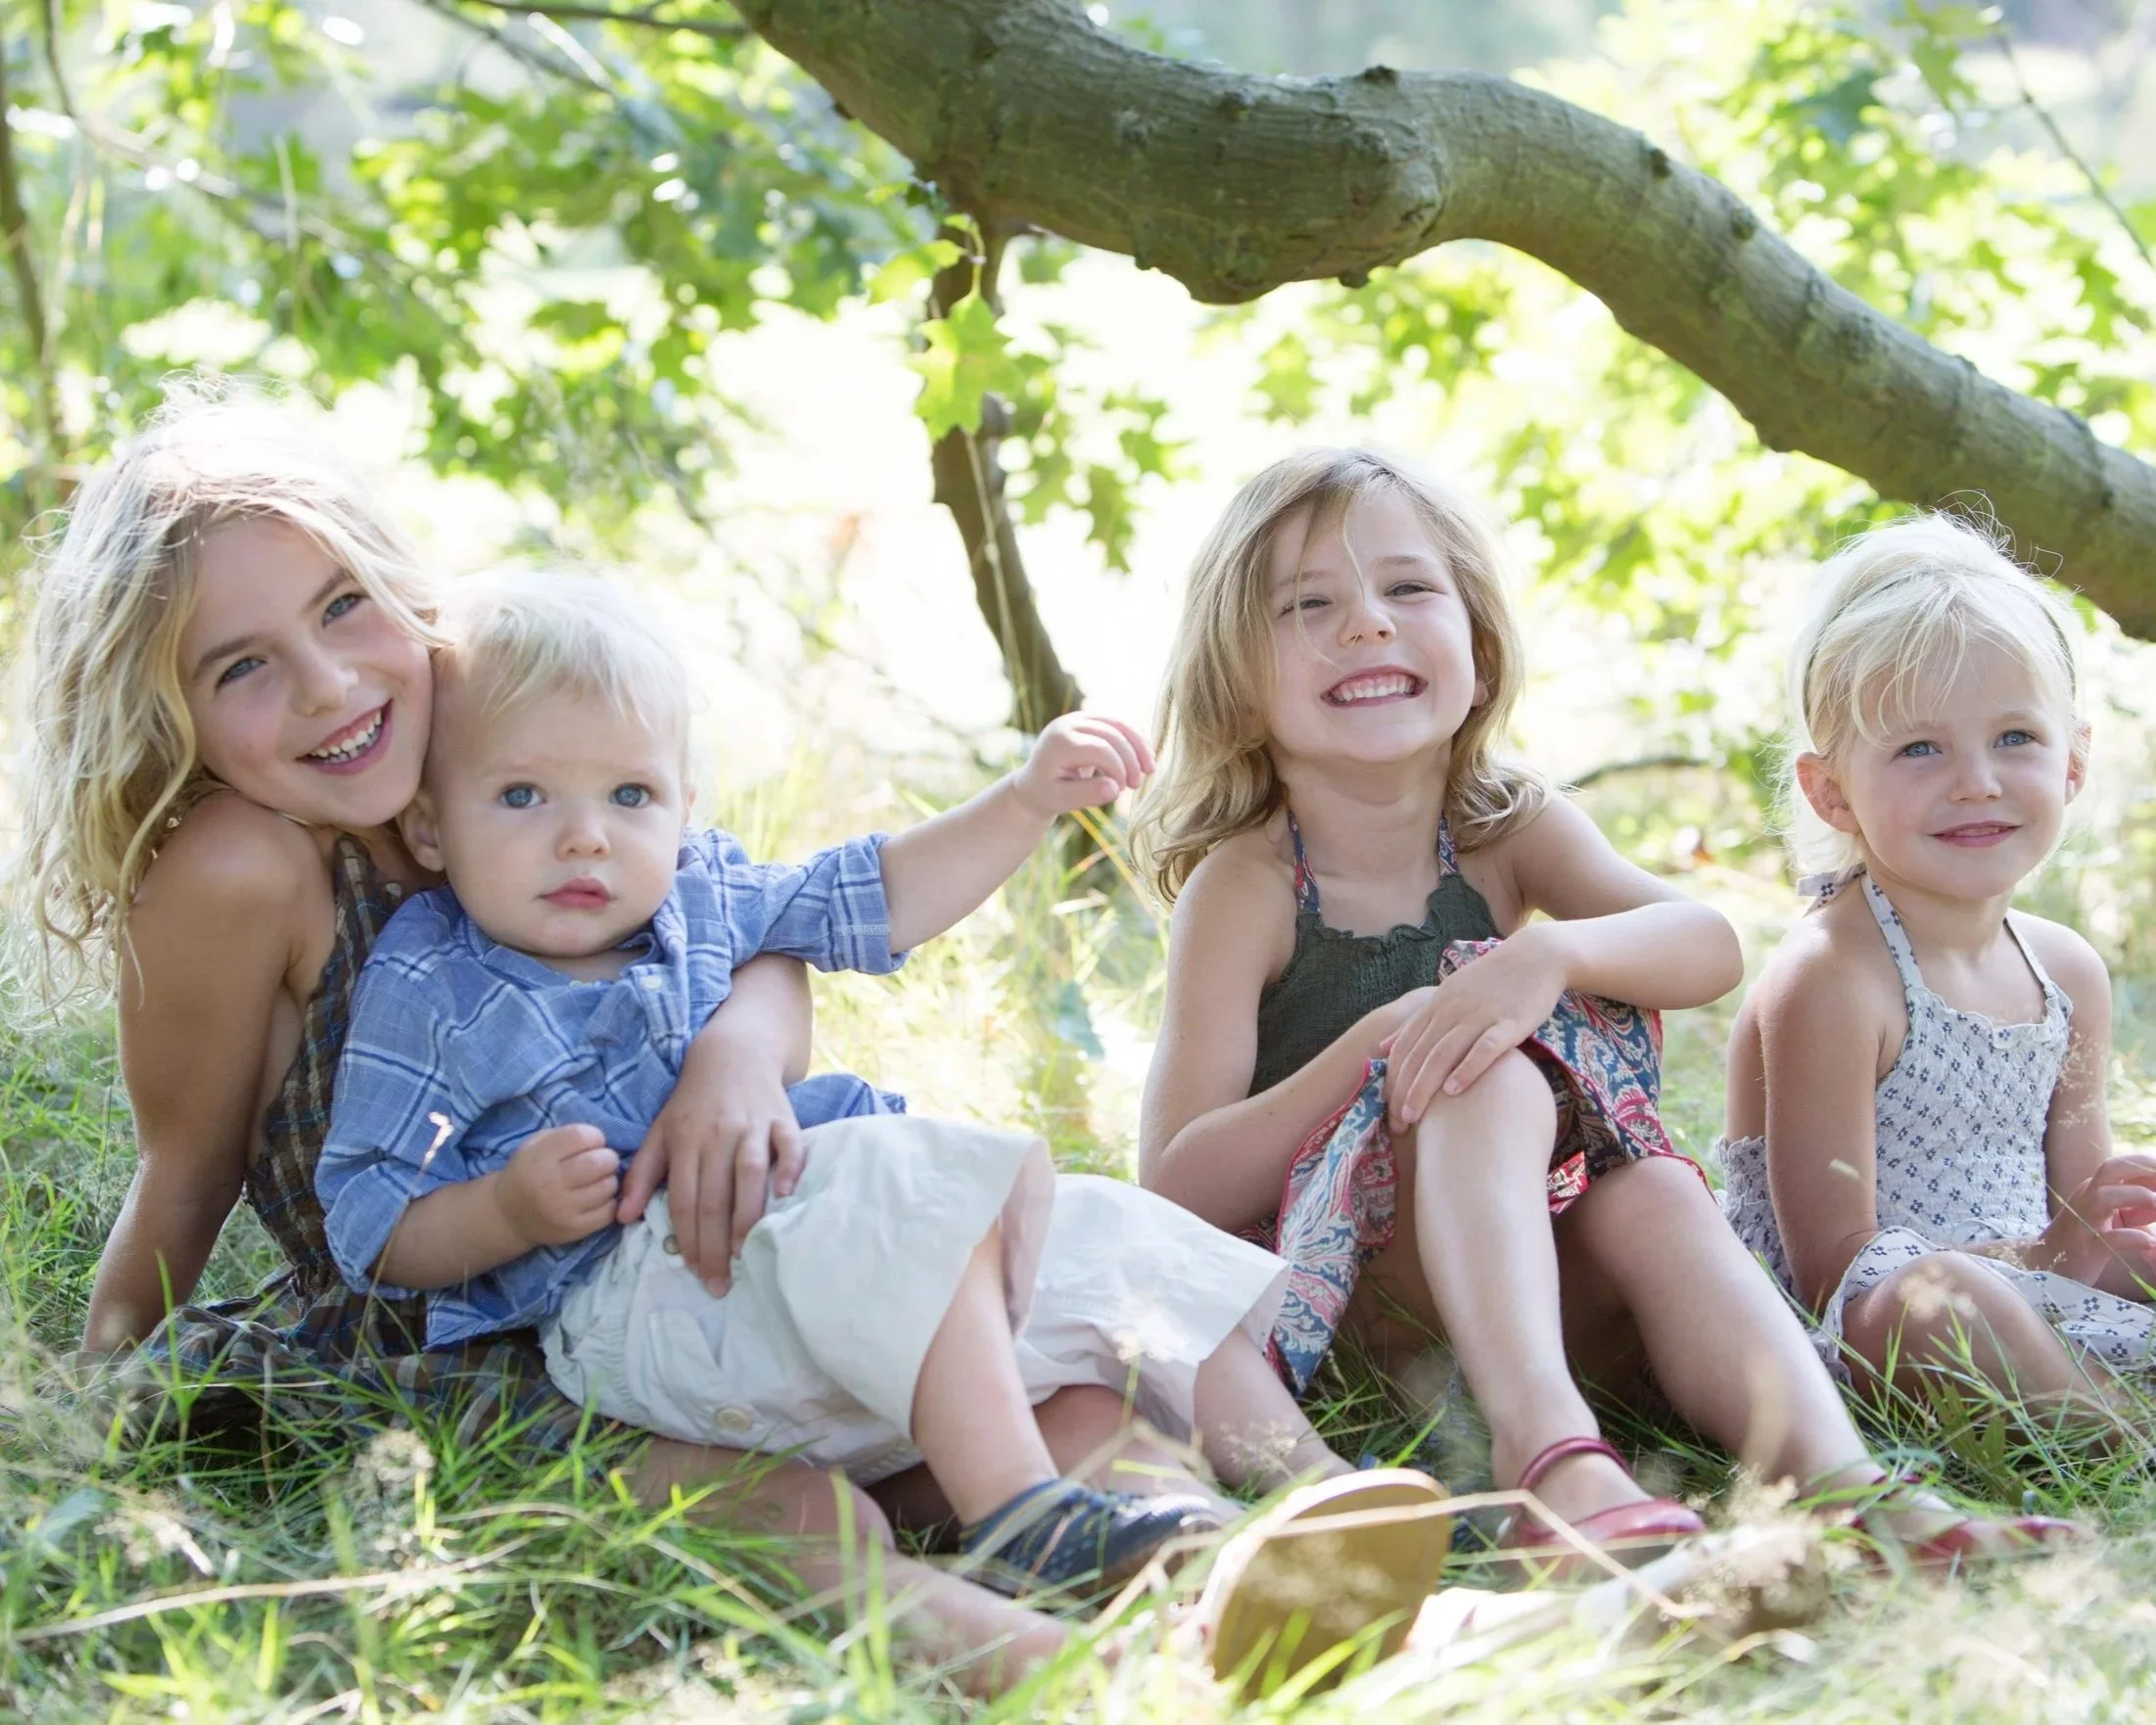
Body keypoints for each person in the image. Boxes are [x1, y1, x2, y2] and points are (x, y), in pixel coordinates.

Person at [0, 384, 1352, 1692]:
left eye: (344, 604)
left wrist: (734, 1061)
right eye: (243, 667)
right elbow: (189, 1169)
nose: (325, 682)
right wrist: (89, 1409)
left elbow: (739, 923)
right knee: (784, 1515)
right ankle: (1091, 1670)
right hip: (458, 1346)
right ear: (168, 708)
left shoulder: (500, 713)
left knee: (1070, 1392)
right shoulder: (246, 865)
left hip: (689, 1272)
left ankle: (1265, 1583)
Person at [313, 570, 1394, 1596]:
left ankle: (1324, 1489)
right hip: (649, 1301)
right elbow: (368, 1212)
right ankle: (1029, 1515)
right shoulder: (431, 974)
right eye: (521, 794)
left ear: (684, 805)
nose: (585, 833)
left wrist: (1021, 804)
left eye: (630, 793)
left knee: (1106, 1232)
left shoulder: (701, 890)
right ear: (427, 825)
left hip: (827, 1286)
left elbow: (869, 895)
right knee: (896, 1183)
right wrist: (501, 1211)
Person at [1133, 446, 2077, 1568]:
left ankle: (1847, 1490)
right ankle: (1548, 1459)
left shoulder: (1507, 826)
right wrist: (1386, 1043)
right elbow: (1176, 1181)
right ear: (1236, 677)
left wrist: (1552, 957)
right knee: (1478, 1076)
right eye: (1309, 605)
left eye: (1408, 589)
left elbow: (1707, 943)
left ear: (1480, 651)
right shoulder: (1248, 887)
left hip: (1551, 1295)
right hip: (1367, 1318)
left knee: (1655, 1197)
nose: (1368, 627)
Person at [1721, 512, 2156, 1425]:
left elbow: (2078, 1214)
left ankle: (2089, 1399)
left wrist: (2106, 1235)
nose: (1976, 782)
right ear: (1831, 790)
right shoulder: (1834, 974)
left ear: (2074, 761)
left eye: (2015, 740)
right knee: (1935, 1297)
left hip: (2037, 1298)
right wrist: (2038, 1260)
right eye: (1920, 748)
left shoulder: (2065, 972)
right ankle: (2119, 1432)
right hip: (1875, 1336)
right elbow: (1838, 1268)